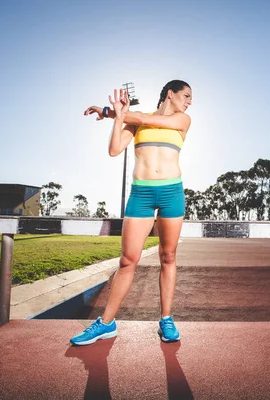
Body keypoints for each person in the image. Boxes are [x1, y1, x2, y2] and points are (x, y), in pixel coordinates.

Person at [70, 80, 192, 345]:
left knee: (168, 256)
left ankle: (167, 319)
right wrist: (116, 117)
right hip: (142, 193)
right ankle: (106, 323)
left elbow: (144, 117)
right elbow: (114, 150)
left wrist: (109, 110)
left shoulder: (183, 120)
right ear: (170, 93)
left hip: (172, 192)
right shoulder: (137, 121)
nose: (189, 100)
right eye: (186, 95)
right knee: (127, 260)